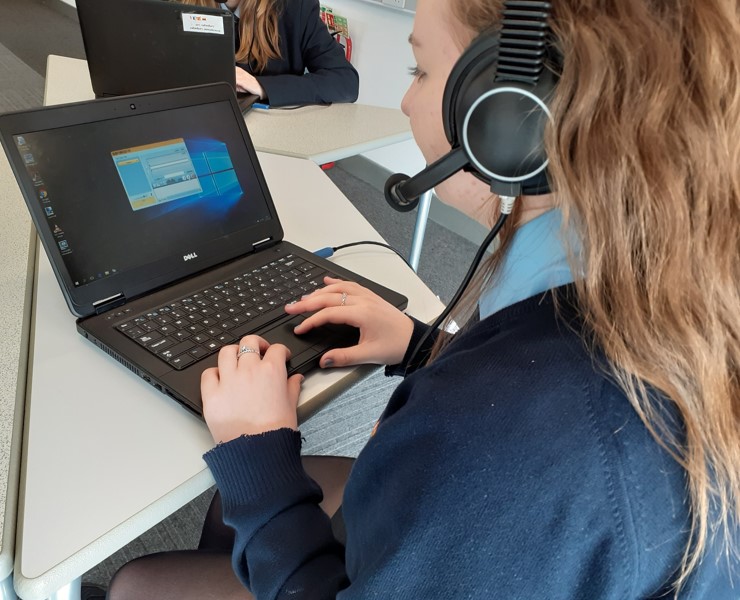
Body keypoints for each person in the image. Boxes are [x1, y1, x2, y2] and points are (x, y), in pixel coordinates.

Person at [105, 0, 740, 597]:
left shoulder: (501, 435)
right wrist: (423, 346)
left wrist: (257, 446)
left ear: (509, 112)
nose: (406, 99)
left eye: (420, 71)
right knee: (229, 504)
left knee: (139, 581)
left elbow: (515, 460)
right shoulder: (652, 282)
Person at [179, 0, 359, 107]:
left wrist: (262, 86)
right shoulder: (176, 6)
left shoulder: (295, 6)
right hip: (198, 118)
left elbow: (345, 81)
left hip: (273, 135)